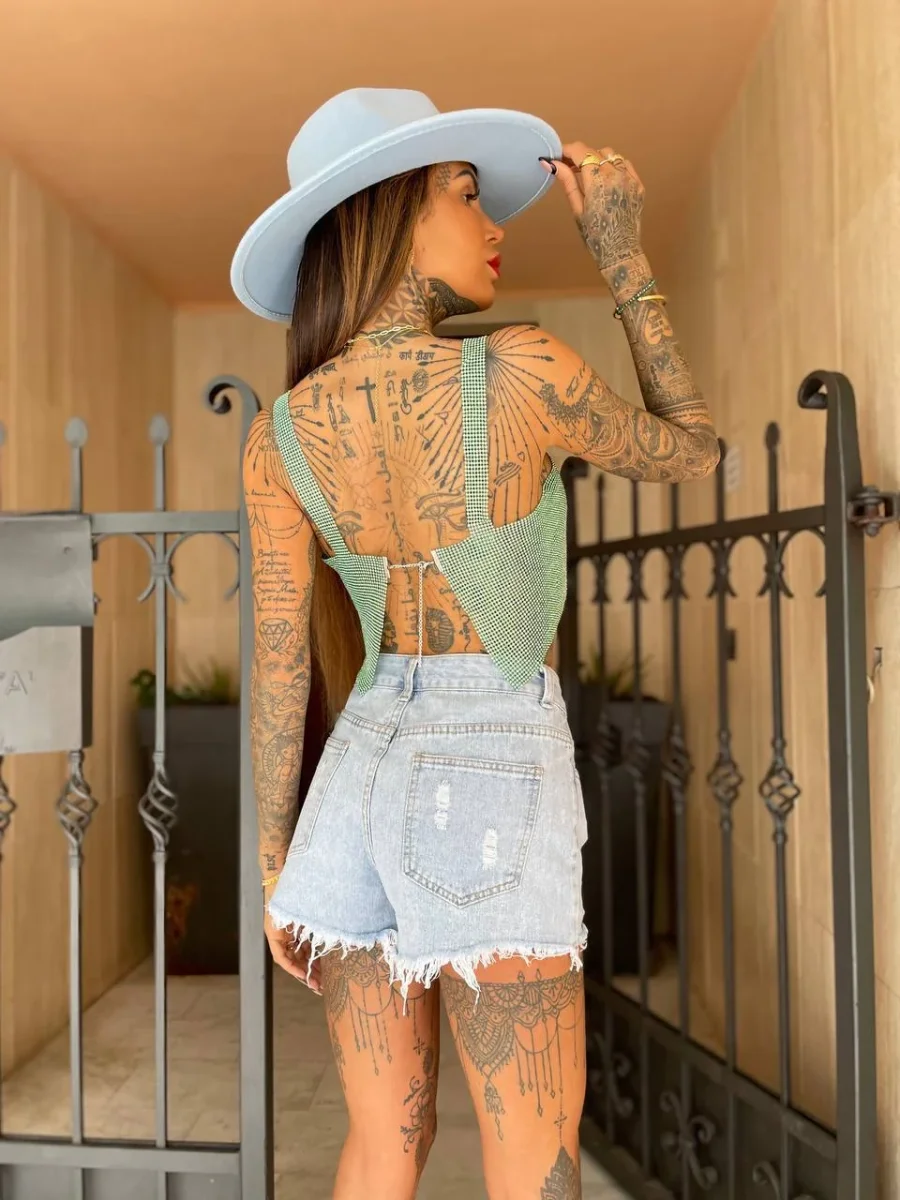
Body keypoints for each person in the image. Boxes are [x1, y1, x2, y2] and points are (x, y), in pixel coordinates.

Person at [236, 88, 718, 1200]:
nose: (495, 223)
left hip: (352, 781)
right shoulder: (521, 370)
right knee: (533, 1155)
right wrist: (622, 251)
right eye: (465, 194)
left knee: (382, 1143)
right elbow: (694, 448)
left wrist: (274, 867)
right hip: (491, 759)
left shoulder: (282, 434)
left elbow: (281, 664)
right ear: (389, 213)